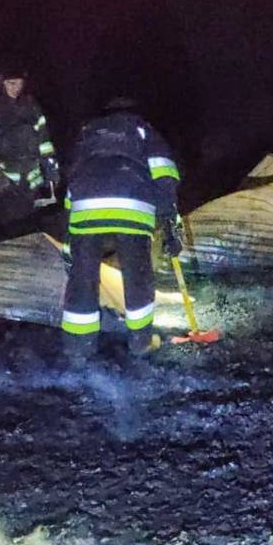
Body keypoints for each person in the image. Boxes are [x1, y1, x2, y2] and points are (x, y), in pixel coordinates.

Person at [61, 97, 181, 361]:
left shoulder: (89, 133)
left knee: (82, 276)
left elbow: (74, 173)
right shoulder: (143, 130)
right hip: (132, 202)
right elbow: (165, 174)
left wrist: (70, 219)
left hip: (85, 205)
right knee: (137, 272)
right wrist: (170, 220)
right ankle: (140, 342)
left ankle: (78, 346)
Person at [0, 62, 61, 237]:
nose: (17, 88)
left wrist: (51, 168)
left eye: (20, 83)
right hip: (4, 184)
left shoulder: (31, 107)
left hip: (32, 182)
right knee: (11, 232)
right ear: (0, 83)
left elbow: (44, 142)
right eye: (11, 83)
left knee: (32, 231)